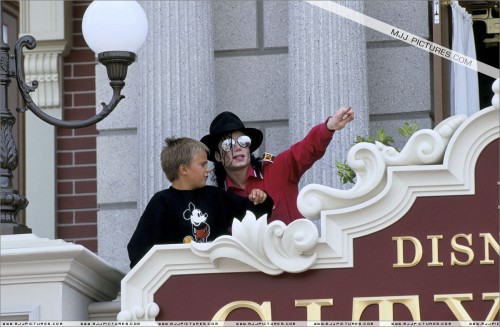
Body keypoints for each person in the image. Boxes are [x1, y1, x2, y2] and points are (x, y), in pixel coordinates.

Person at [127, 137, 274, 268]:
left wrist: (260, 199)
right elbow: (138, 248)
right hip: (178, 281)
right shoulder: (162, 202)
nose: (208, 170)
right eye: (202, 164)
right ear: (184, 169)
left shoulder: (215, 196)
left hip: (216, 275)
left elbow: (251, 214)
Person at [200, 107, 354, 224]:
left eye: (243, 141)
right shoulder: (218, 197)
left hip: (296, 260)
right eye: (228, 144)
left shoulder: (278, 168)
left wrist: (328, 128)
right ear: (218, 156)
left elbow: (306, 150)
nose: (238, 147)